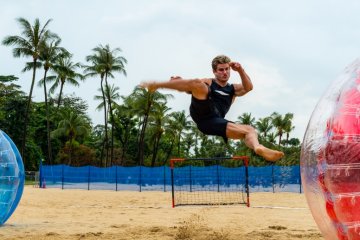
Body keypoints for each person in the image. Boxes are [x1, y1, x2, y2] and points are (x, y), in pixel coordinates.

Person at [140, 55, 284, 162]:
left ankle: (258, 148)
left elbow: (249, 87)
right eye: (221, 70)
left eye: (227, 69)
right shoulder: (209, 82)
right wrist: (179, 82)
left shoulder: (232, 89)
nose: (224, 72)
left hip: (214, 122)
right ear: (214, 71)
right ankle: (158, 85)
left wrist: (240, 70)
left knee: (249, 130)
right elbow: (190, 88)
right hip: (202, 113)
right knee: (198, 84)